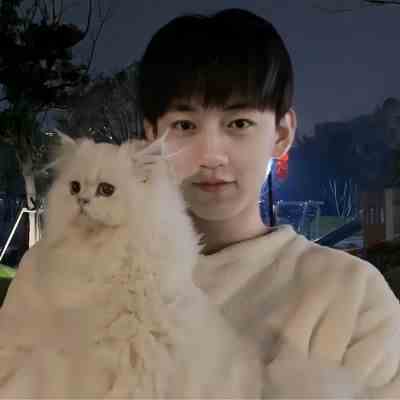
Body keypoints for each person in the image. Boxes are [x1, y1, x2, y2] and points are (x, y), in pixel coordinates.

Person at [137, 8, 400, 397]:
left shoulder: (352, 297)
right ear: (151, 137)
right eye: (185, 125)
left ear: (281, 133)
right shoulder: (84, 284)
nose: (211, 155)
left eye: (238, 123)